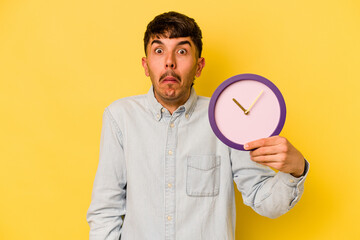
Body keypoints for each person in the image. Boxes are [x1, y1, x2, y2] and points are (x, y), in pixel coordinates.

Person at [86, 11, 309, 240]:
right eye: (159, 50)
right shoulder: (120, 117)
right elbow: (106, 211)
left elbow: (266, 202)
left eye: (182, 51)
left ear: (199, 66)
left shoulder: (227, 118)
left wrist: (294, 170)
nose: (169, 61)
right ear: (146, 65)